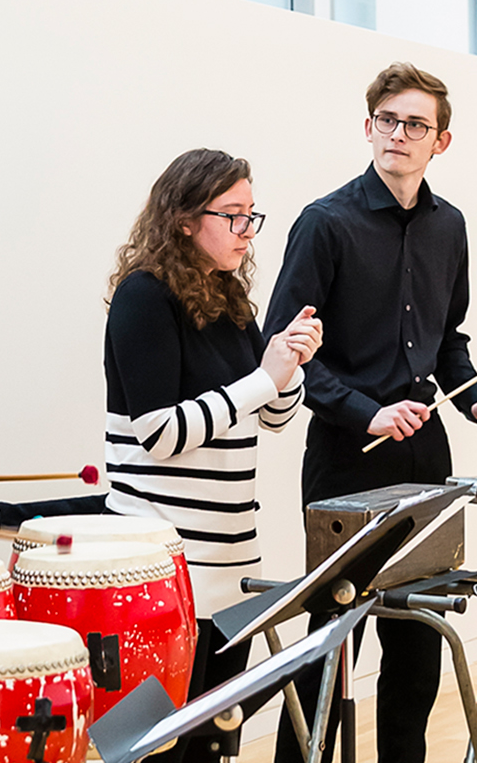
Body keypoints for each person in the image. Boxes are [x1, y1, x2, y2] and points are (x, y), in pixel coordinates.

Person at [263, 62, 477, 763]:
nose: (399, 134)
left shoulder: (449, 226)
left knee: (416, 638)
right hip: (346, 455)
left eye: (416, 125)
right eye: (387, 120)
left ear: (443, 140)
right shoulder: (325, 222)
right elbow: (282, 351)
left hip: (425, 456)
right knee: (330, 637)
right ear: (368, 126)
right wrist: (365, 411)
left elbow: (448, 344)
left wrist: (476, 403)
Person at [103, 148, 321, 763]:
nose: (247, 232)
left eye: (253, 216)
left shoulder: (229, 300)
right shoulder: (143, 296)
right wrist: (263, 378)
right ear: (184, 219)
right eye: (233, 216)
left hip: (230, 563)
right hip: (167, 566)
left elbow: (273, 417)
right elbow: (158, 433)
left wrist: (289, 363)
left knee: (213, 741)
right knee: (157, 746)